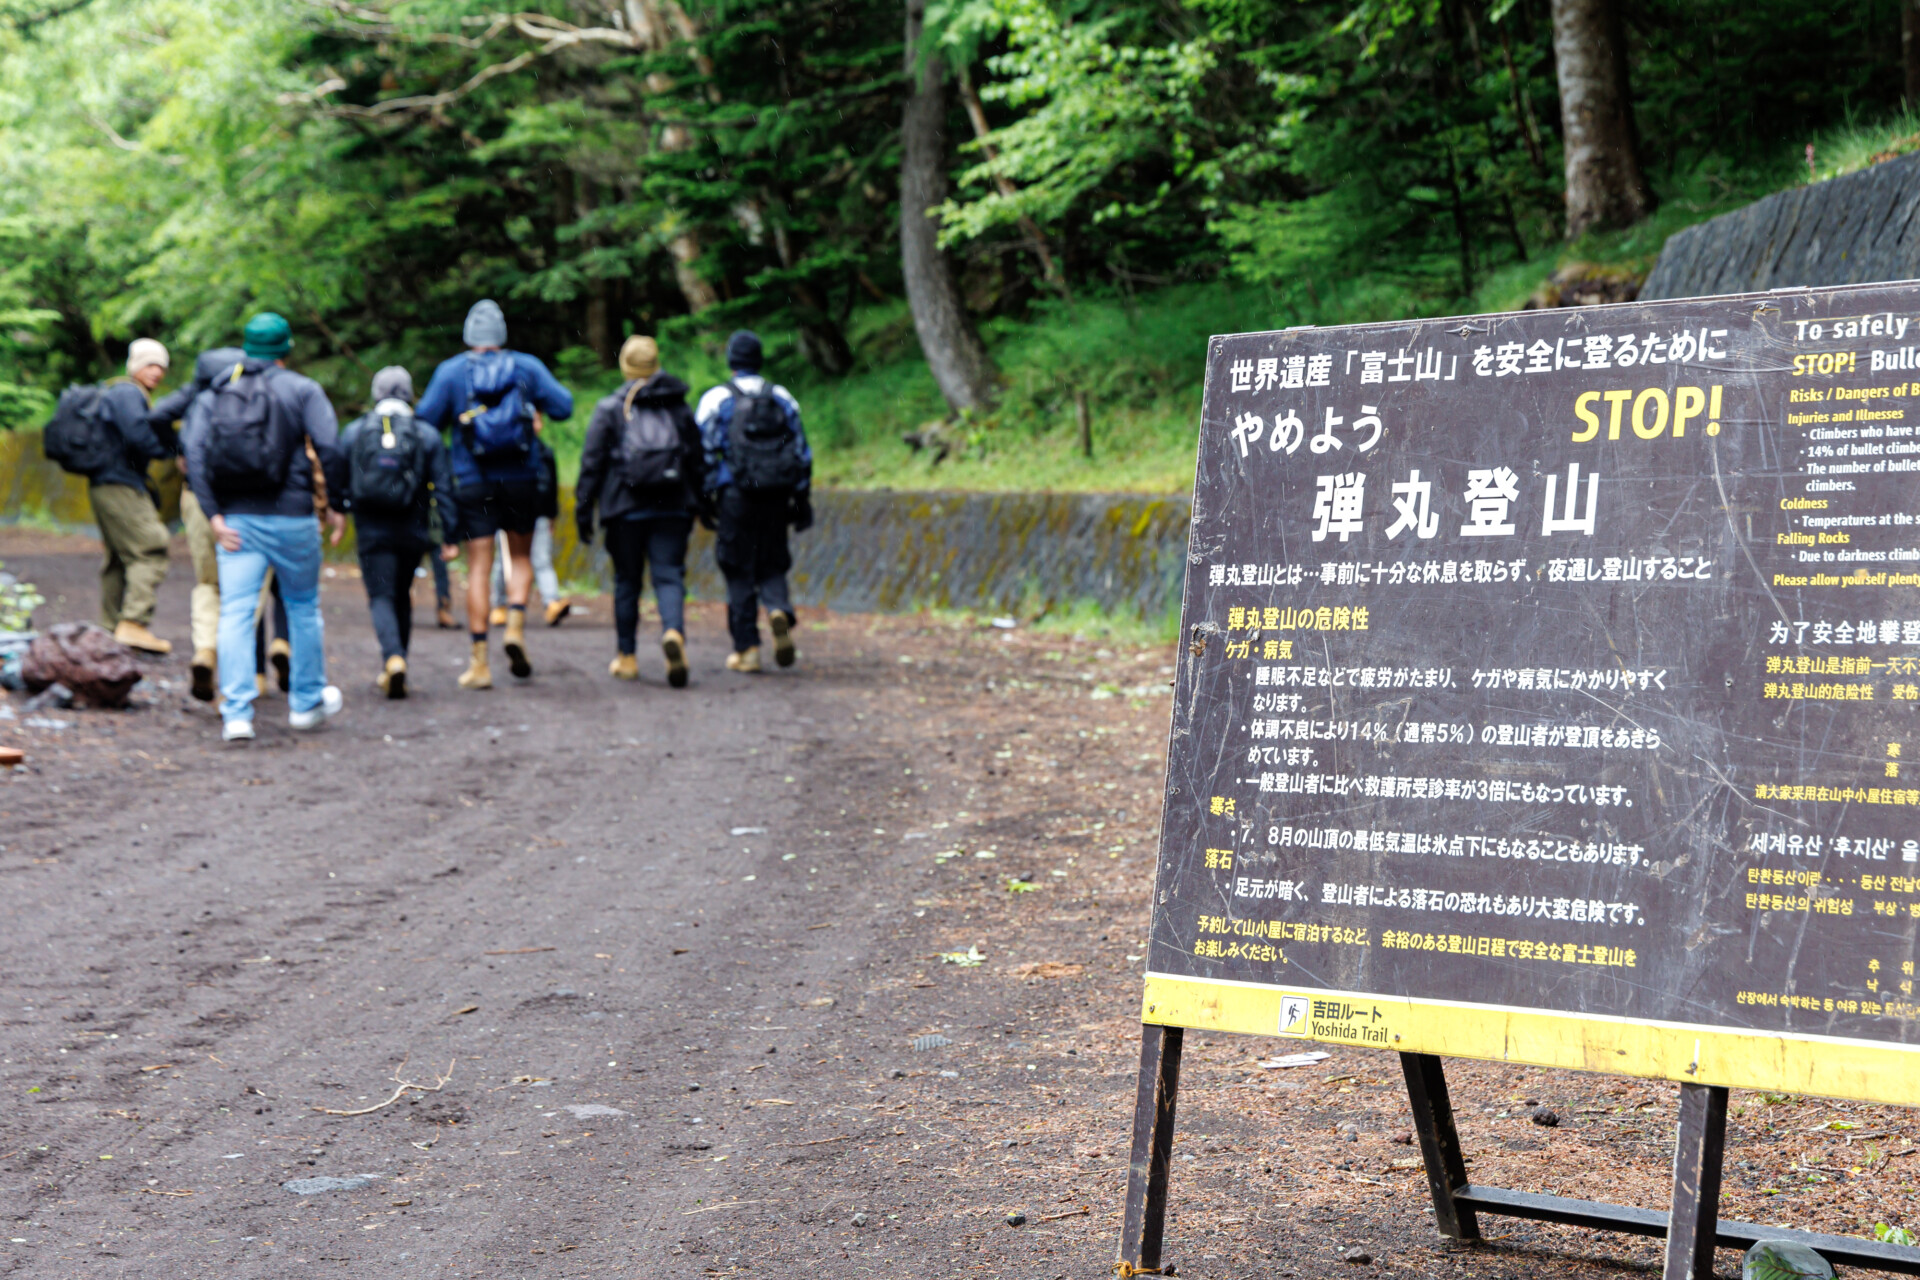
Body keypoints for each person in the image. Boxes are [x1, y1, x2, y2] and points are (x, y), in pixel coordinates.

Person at [183, 312, 348, 742]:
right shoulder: (302, 389)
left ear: (246, 347)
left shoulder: (215, 393)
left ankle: (236, 713)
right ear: (287, 348)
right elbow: (329, 446)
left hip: (237, 522)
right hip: (294, 518)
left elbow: (194, 453)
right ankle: (305, 703)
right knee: (302, 606)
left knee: (236, 612)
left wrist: (214, 515)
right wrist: (337, 505)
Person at [415, 299, 574, 689]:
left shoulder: (452, 372)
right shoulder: (527, 366)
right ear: (502, 335)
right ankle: (516, 624)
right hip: (522, 477)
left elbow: (424, 423)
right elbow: (565, 407)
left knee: (480, 568)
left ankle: (480, 664)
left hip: (472, 480)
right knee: (520, 556)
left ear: (469, 335)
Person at [576, 335, 704, 686]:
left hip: (624, 509)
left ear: (624, 366)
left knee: (627, 582)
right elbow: (697, 458)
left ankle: (627, 657)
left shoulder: (610, 408)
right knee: (669, 575)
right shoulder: (678, 406)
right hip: (673, 505)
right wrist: (704, 505)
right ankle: (674, 633)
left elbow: (592, 465)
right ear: (656, 364)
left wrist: (584, 512)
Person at [695, 329, 813, 673]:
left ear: (731, 361)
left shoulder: (716, 398)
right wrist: (800, 498)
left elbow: (703, 453)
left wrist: (705, 501)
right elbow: (802, 453)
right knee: (772, 560)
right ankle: (778, 609)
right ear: (759, 360)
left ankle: (747, 648)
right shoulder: (782, 397)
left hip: (737, 495)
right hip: (777, 494)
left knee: (737, 568)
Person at [337, 366, 457, 698]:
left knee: (380, 595)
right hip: (412, 527)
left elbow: (336, 473)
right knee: (402, 594)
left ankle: (392, 659)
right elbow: (444, 488)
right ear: (409, 395)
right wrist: (449, 534)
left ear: (376, 395)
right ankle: (399, 659)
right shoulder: (426, 434)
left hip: (371, 526)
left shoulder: (356, 431)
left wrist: (338, 510)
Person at [148, 345, 243, 699]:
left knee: (207, 583)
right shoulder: (250, 393)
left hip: (197, 497)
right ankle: (240, 678)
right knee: (243, 592)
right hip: (242, 502)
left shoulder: (195, 394)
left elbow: (157, 416)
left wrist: (180, 451)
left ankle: (205, 649)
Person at [91, 338, 177, 655]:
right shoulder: (127, 392)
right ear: (135, 366)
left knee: (118, 558)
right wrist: (169, 451)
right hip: (120, 485)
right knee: (151, 547)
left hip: (108, 483)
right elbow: (137, 434)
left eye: (161, 367)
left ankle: (109, 628)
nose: (156, 372)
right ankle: (134, 623)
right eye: (149, 364)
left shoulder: (120, 392)